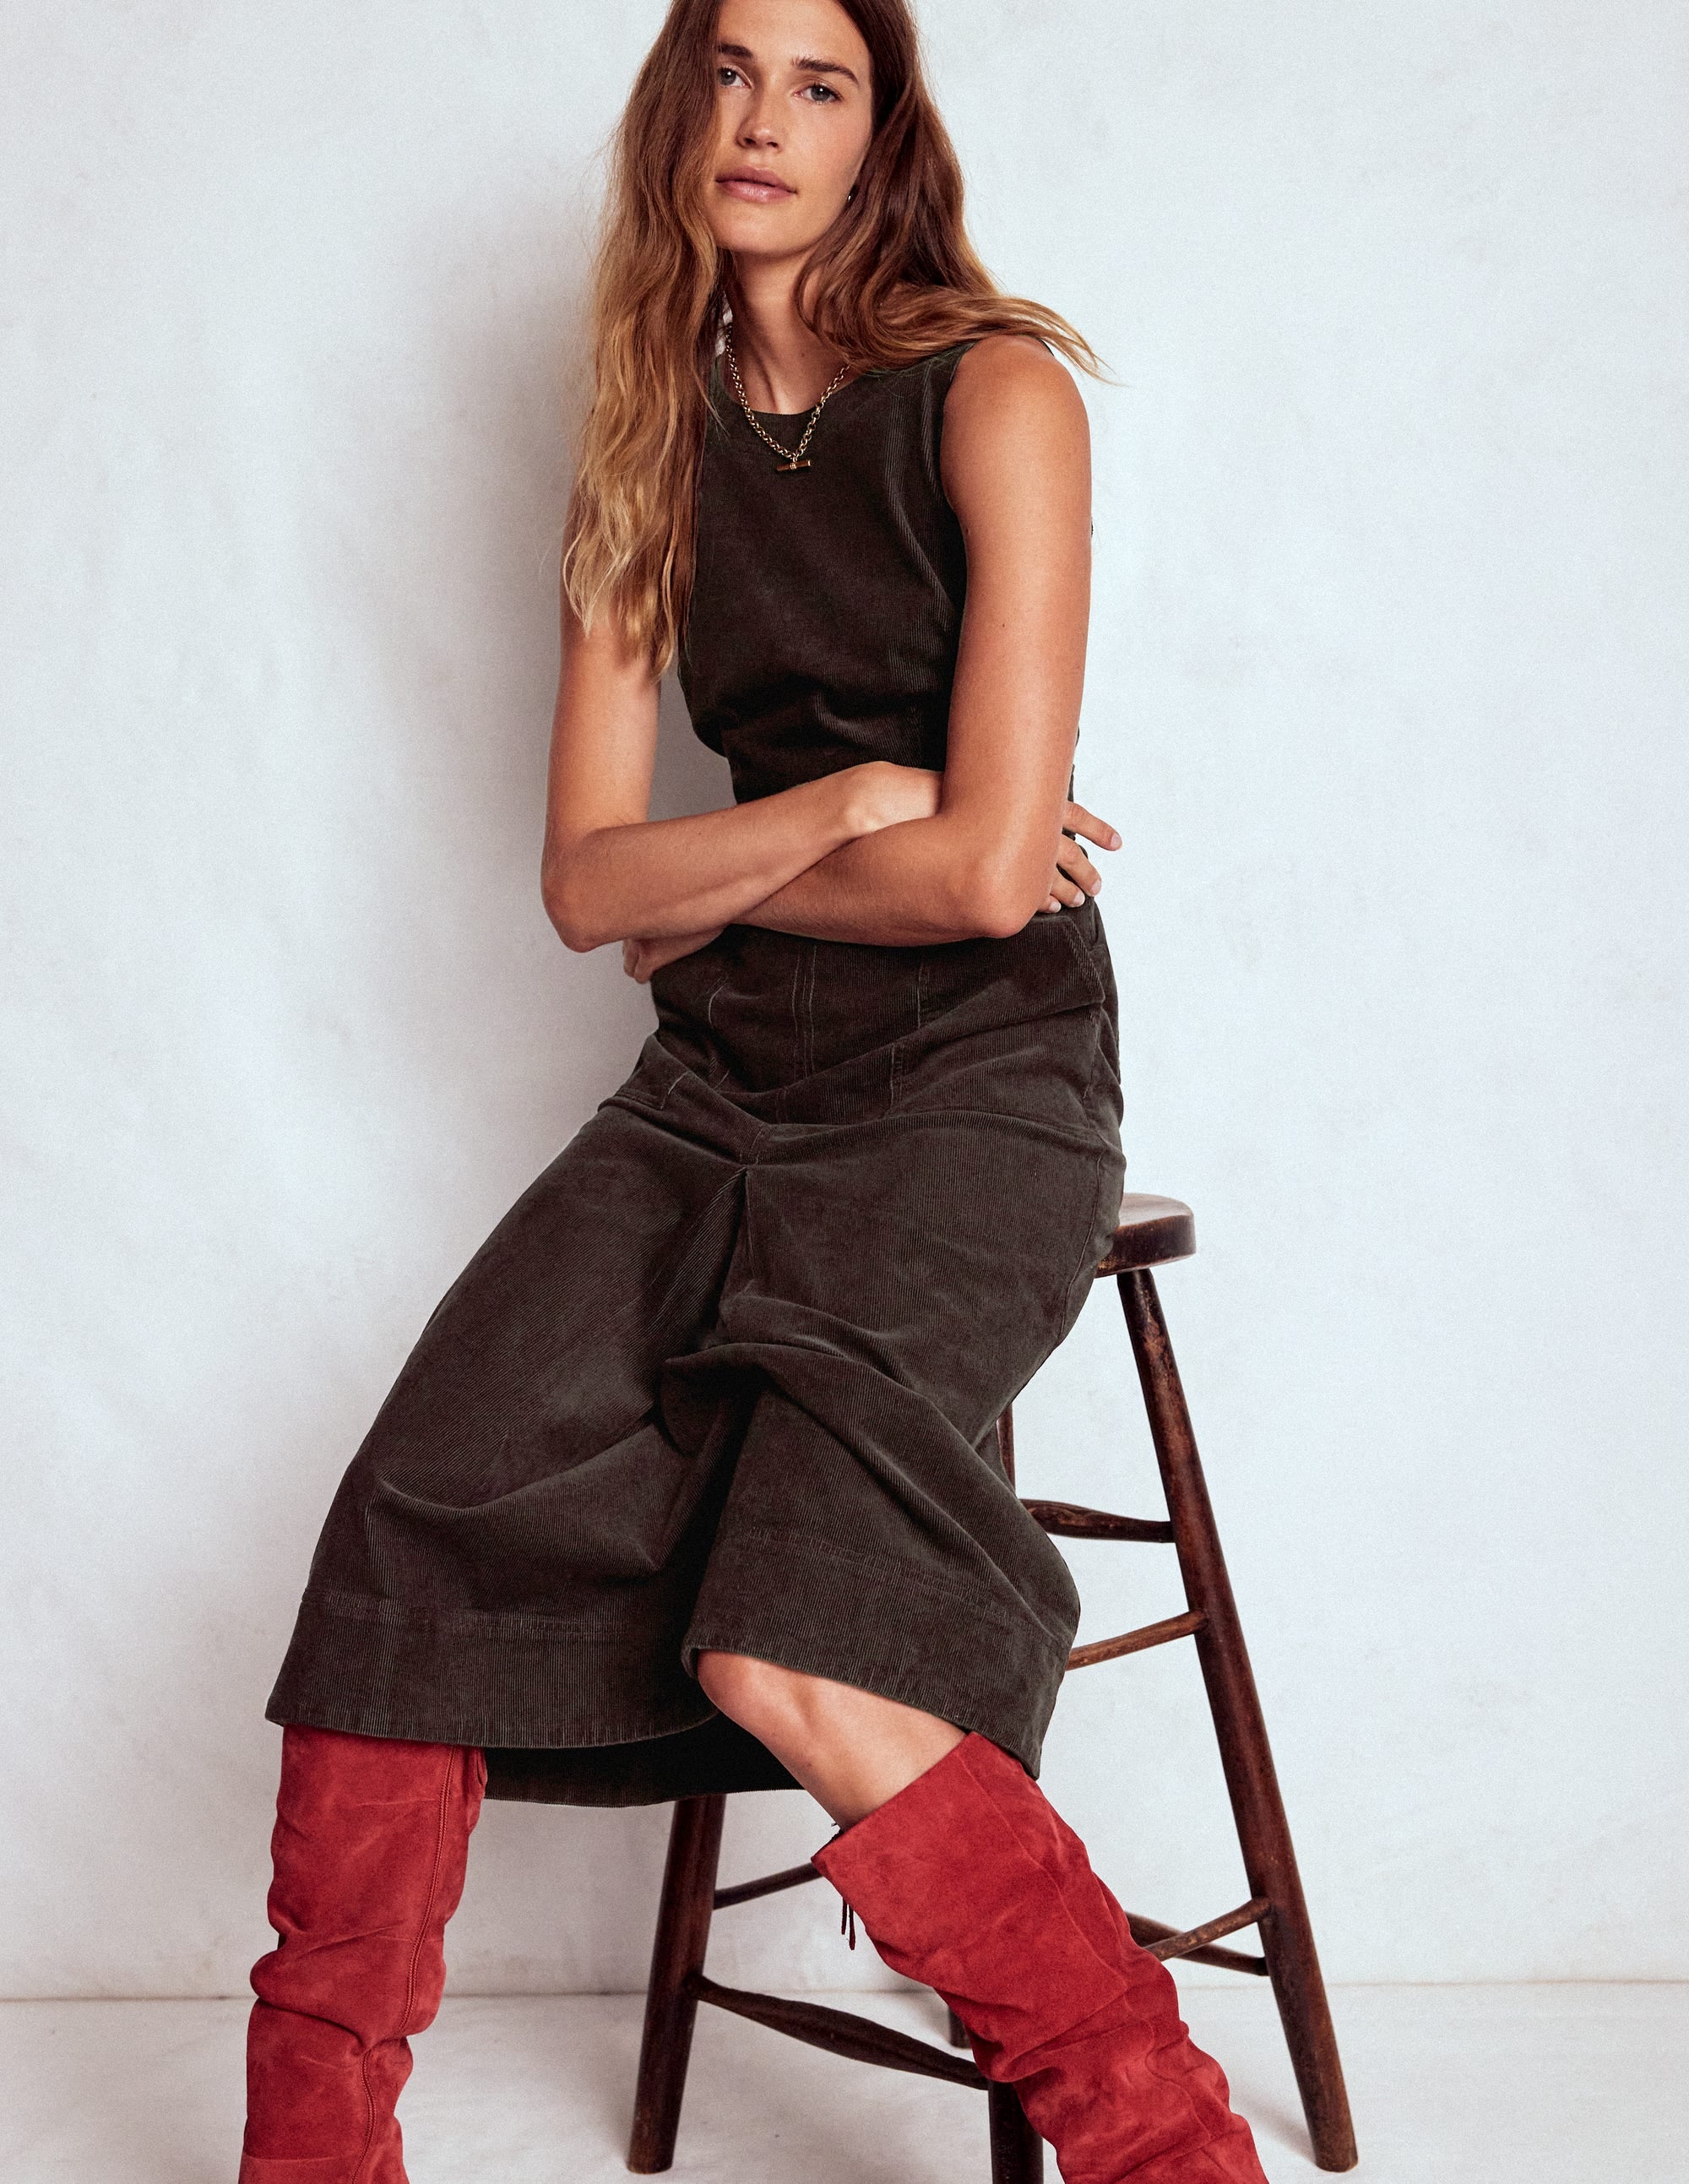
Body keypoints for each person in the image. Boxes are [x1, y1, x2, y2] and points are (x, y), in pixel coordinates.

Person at [237, 2, 1271, 2178]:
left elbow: (996, 882)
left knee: (794, 1656)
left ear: (883, 129)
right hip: (713, 1092)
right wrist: (834, 811)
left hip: (978, 1089)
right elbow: (580, 885)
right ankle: (309, 2151)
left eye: (818, 80)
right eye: (727, 69)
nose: (762, 118)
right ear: (673, 108)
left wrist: (720, 884)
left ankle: (1172, 2147)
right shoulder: (644, 445)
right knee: (405, 1541)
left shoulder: (999, 393)